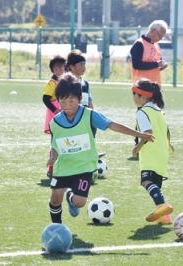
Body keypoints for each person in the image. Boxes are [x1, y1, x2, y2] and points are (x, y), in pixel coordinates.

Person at [47, 73, 154, 224]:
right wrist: (52, 157)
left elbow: (113, 125)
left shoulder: (89, 115)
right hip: (63, 167)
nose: (67, 105)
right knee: (55, 198)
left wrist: (138, 134)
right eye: (63, 101)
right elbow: (55, 144)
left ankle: (70, 196)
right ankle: (56, 228)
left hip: (84, 167)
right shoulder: (55, 123)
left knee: (79, 202)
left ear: (79, 99)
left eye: (72, 101)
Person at [132, 78, 174, 224]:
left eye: (134, 94)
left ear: (142, 97)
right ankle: (164, 217)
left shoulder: (142, 112)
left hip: (151, 152)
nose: (133, 98)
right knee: (155, 184)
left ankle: (162, 205)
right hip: (162, 152)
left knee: (146, 181)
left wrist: (137, 147)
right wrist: (169, 145)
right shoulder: (158, 111)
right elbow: (167, 130)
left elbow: (147, 131)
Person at [130, 20, 168, 153]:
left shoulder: (156, 46)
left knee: (156, 114)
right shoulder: (139, 45)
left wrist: (161, 66)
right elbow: (137, 64)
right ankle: (139, 143)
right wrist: (156, 64)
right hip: (141, 88)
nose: (161, 39)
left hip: (154, 87)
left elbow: (155, 65)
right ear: (152, 31)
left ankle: (153, 140)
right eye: (160, 35)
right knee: (142, 115)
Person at [43, 55, 66, 178]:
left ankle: (60, 167)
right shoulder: (52, 83)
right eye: (63, 68)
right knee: (55, 143)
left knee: (61, 141)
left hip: (62, 118)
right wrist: (55, 110)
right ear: (56, 70)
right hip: (55, 119)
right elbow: (45, 99)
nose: (65, 70)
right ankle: (51, 169)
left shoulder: (60, 82)